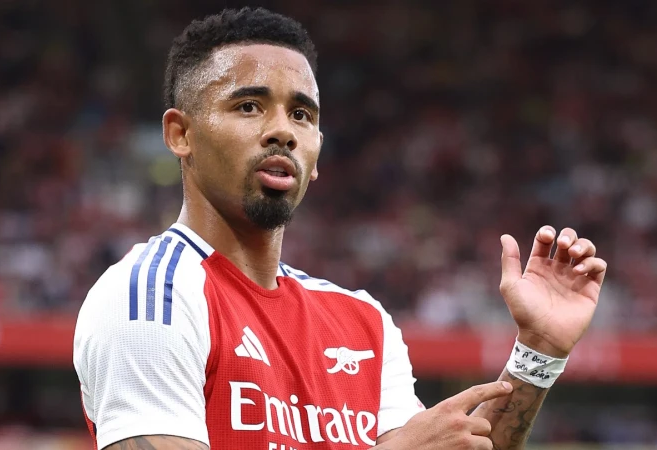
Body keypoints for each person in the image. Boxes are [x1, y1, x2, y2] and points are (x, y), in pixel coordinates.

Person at [72, 7, 608, 450]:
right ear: (180, 134)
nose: (282, 131)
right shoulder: (149, 298)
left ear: (317, 154)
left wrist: (537, 353)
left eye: (302, 115)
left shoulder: (362, 322)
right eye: (250, 106)